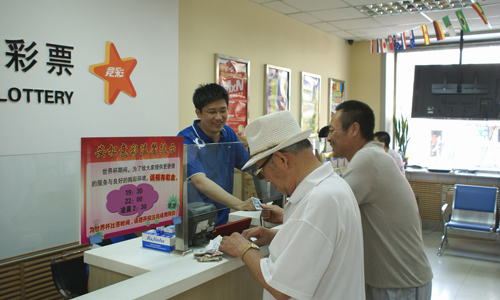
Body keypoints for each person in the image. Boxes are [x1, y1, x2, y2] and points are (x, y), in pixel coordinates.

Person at [219, 110, 365, 300]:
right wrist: (275, 235)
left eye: (262, 172)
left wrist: (243, 248)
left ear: (281, 160)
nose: (267, 180)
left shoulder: (319, 200)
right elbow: (320, 239)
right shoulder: (332, 186)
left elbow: (282, 287)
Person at [328, 100, 433, 300]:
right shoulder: (374, 155)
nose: (329, 137)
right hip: (396, 279)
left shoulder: (367, 159)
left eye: (333, 130)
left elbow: (331, 208)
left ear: (354, 129)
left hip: (399, 283)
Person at [177, 83, 254, 226]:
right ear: (198, 113)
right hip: (194, 222)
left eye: (223, 111)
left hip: (221, 220)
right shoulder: (186, 139)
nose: (219, 117)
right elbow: (200, 181)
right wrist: (240, 204)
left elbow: (249, 165)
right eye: (212, 112)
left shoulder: (228, 133)